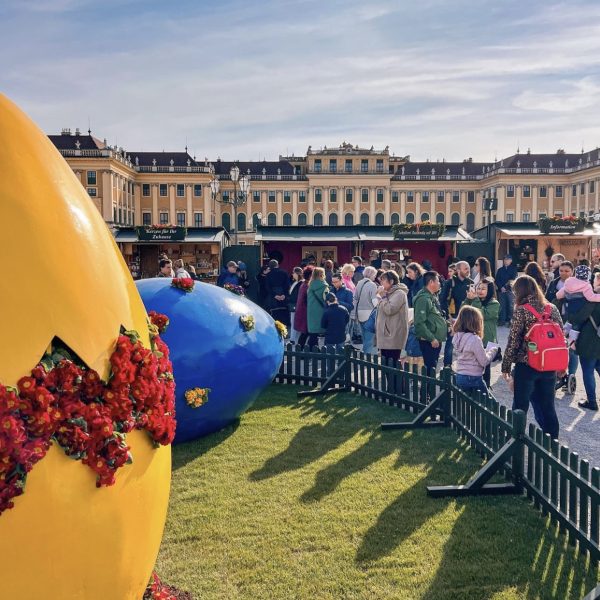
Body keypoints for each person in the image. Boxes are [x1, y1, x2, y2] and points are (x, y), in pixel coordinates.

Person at [501, 275, 563, 439]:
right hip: (549, 365)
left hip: (527, 365)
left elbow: (513, 341)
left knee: (520, 405)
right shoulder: (551, 308)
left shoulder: (522, 310)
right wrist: (562, 365)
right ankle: (553, 441)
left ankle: (516, 438)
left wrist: (506, 366)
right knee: (548, 406)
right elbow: (560, 338)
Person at [453, 305, 498, 394]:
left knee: (463, 405)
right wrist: (493, 350)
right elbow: (484, 361)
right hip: (473, 377)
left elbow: (469, 354)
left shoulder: (457, 336)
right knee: (487, 403)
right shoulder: (475, 339)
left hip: (460, 375)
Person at [464, 276, 500, 387]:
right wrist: (468, 299)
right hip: (474, 337)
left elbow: (481, 314)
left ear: (489, 290)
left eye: (483, 289)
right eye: (478, 288)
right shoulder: (475, 300)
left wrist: (474, 300)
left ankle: (487, 386)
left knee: (486, 365)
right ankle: (475, 385)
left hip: (488, 339)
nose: (479, 291)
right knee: (474, 364)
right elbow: (464, 310)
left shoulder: (494, 303)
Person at [569, 280, 600, 410]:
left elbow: (579, 317)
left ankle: (592, 401)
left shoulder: (593, 300)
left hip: (589, 340)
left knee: (588, 372)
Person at [556, 264, 600, 348]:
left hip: (568, 308)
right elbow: (591, 297)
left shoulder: (568, 282)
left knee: (569, 322)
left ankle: (563, 333)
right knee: (577, 325)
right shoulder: (586, 285)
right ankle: (571, 342)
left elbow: (559, 295)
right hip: (579, 309)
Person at [414, 271, 448, 376]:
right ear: (431, 282)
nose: (440, 283)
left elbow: (436, 316)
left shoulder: (431, 296)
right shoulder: (423, 299)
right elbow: (419, 322)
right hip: (430, 340)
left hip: (435, 338)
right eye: (438, 281)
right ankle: (427, 391)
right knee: (430, 368)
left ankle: (428, 390)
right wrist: (432, 338)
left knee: (432, 366)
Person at [551, 261, 579, 393]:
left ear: (572, 272)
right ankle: (559, 374)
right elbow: (548, 299)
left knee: (572, 349)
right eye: (561, 270)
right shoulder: (554, 283)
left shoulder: (579, 285)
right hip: (557, 320)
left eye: (567, 271)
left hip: (572, 321)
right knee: (557, 349)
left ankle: (570, 375)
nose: (563, 273)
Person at [440, 260, 474, 367]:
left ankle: (465, 366)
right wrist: (448, 316)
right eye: (465, 269)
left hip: (467, 317)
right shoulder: (450, 282)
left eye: (468, 268)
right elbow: (443, 300)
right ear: (458, 270)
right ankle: (447, 366)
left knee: (467, 343)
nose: (468, 271)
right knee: (450, 343)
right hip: (453, 316)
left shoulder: (471, 282)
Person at [375, 270, 409, 366]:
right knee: (386, 366)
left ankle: (399, 382)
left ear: (392, 281)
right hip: (385, 336)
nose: (381, 283)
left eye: (383, 281)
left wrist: (383, 297)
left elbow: (389, 310)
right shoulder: (387, 292)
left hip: (393, 336)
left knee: (393, 366)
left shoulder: (399, 293)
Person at [352, 266, 378, 355]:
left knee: (364, 337)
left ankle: (364, 355)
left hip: (359, 313)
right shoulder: (372, 285)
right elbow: (375, 302)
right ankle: (367, 358)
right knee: (369, 338)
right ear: (372, 274)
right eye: (374, 274)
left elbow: (355, 298)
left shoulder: (359, 283)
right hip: (369, 313)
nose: (375, 276)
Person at [306, 267, 329, 348]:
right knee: (323, 331)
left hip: (311, 310)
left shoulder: (310, 285)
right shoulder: (324, 286)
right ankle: (317, 350)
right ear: (322, 274)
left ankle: (312, 349)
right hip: (321, 310)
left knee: (313, 332)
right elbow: (326, 299)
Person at [266, 259, 290, 327]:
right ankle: (285, 331)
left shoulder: (269, 274)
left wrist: (275, 295)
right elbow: (287, 285)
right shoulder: (284, 272)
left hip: (273, 297)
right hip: (283, 296)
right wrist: (284, 295)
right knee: (284, 315)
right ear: (277, 265)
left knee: (274, 315)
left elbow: (267, 287)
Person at [495, 254, 518, 325]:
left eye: (507, 259)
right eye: (504, 259)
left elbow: (513, 279)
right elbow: (497, 280)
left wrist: (505, 287)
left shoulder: (514, 269)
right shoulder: (500, 270)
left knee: (511, 305)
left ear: (511, 260)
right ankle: (502, 320)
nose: (505, 260)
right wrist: (500, 287)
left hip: (510, 290)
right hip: (501, 291)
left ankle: (511, 321)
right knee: (502, 306)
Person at [294, 266, 313, 348]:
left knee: (307, 333)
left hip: (303, 312)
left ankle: (304, 349)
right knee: (307, 333)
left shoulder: (304, 284)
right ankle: (302, 350)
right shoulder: (307, 286)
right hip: (305, 313)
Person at [288, 267, 304, 343]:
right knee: (293, 321)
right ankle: (293, 339)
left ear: (297, 273)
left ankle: (293, 339)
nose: (292, 274)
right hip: (293, 305)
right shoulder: (295, 282)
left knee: (295, 322)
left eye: (293, 273)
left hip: (297, 305)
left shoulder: (301, 283)